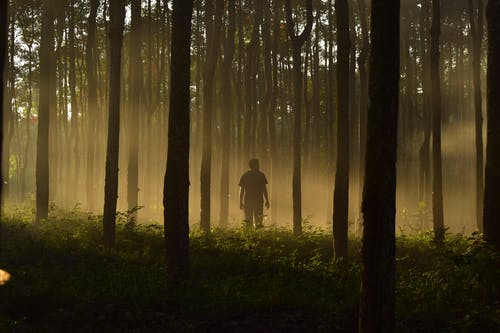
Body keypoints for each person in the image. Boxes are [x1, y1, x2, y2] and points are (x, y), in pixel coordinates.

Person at [239, 158, 270, 228]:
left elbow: (242, 189)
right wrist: (267, 200)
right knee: (255, 221)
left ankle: (252, 236)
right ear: (254, 165)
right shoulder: (261, 175)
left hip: (251, 201)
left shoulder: (245, 175)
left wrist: (240, 201)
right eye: (257, 164)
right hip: (255, 201)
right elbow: (264, 189)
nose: (259, 166)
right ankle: (254, 236)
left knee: (253, 220)